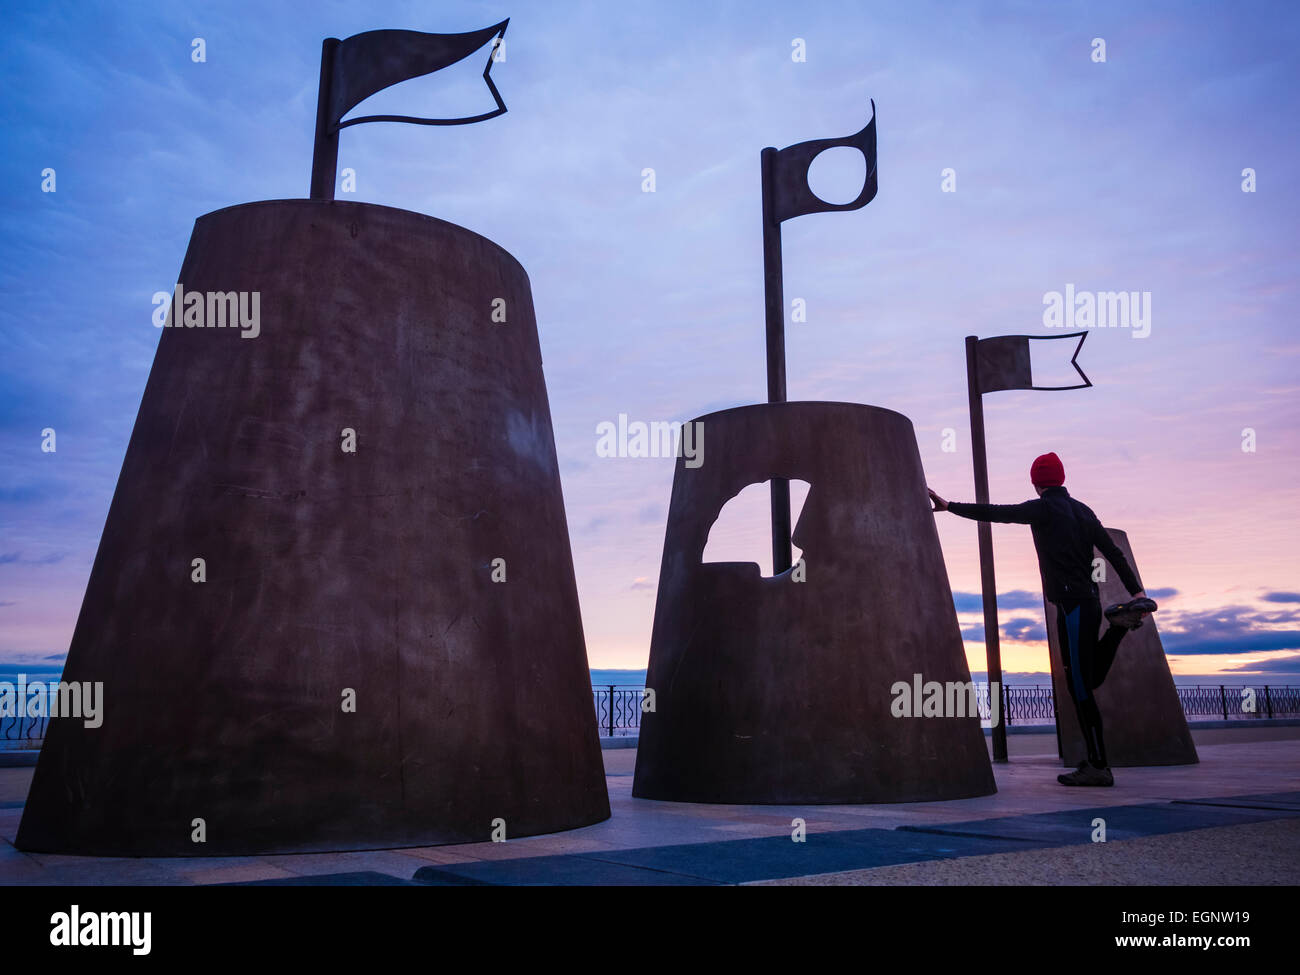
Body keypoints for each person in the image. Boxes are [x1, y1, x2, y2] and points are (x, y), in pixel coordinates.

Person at [927, 452, 1157, 787]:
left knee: (1081, 686)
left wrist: (951, 507)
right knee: (1085, 679)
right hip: (1085, 605)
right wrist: (1137, 593)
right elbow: (1114, 552)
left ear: (1036, 482)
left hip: (1073, 606)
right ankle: (1117, 629)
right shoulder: (1083, 510)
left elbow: (998, 514)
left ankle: (1098, 765)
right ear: (1061, 479)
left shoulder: (1042, 508)